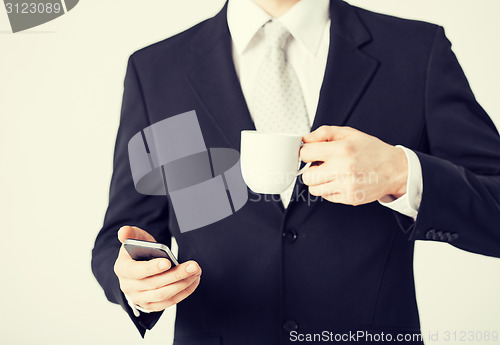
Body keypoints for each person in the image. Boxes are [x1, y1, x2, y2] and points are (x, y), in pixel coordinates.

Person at [91, 0, 500, 344]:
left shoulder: (415, 50)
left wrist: (400, 172)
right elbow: (123, 233)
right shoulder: (158, 70)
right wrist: (134, 280)